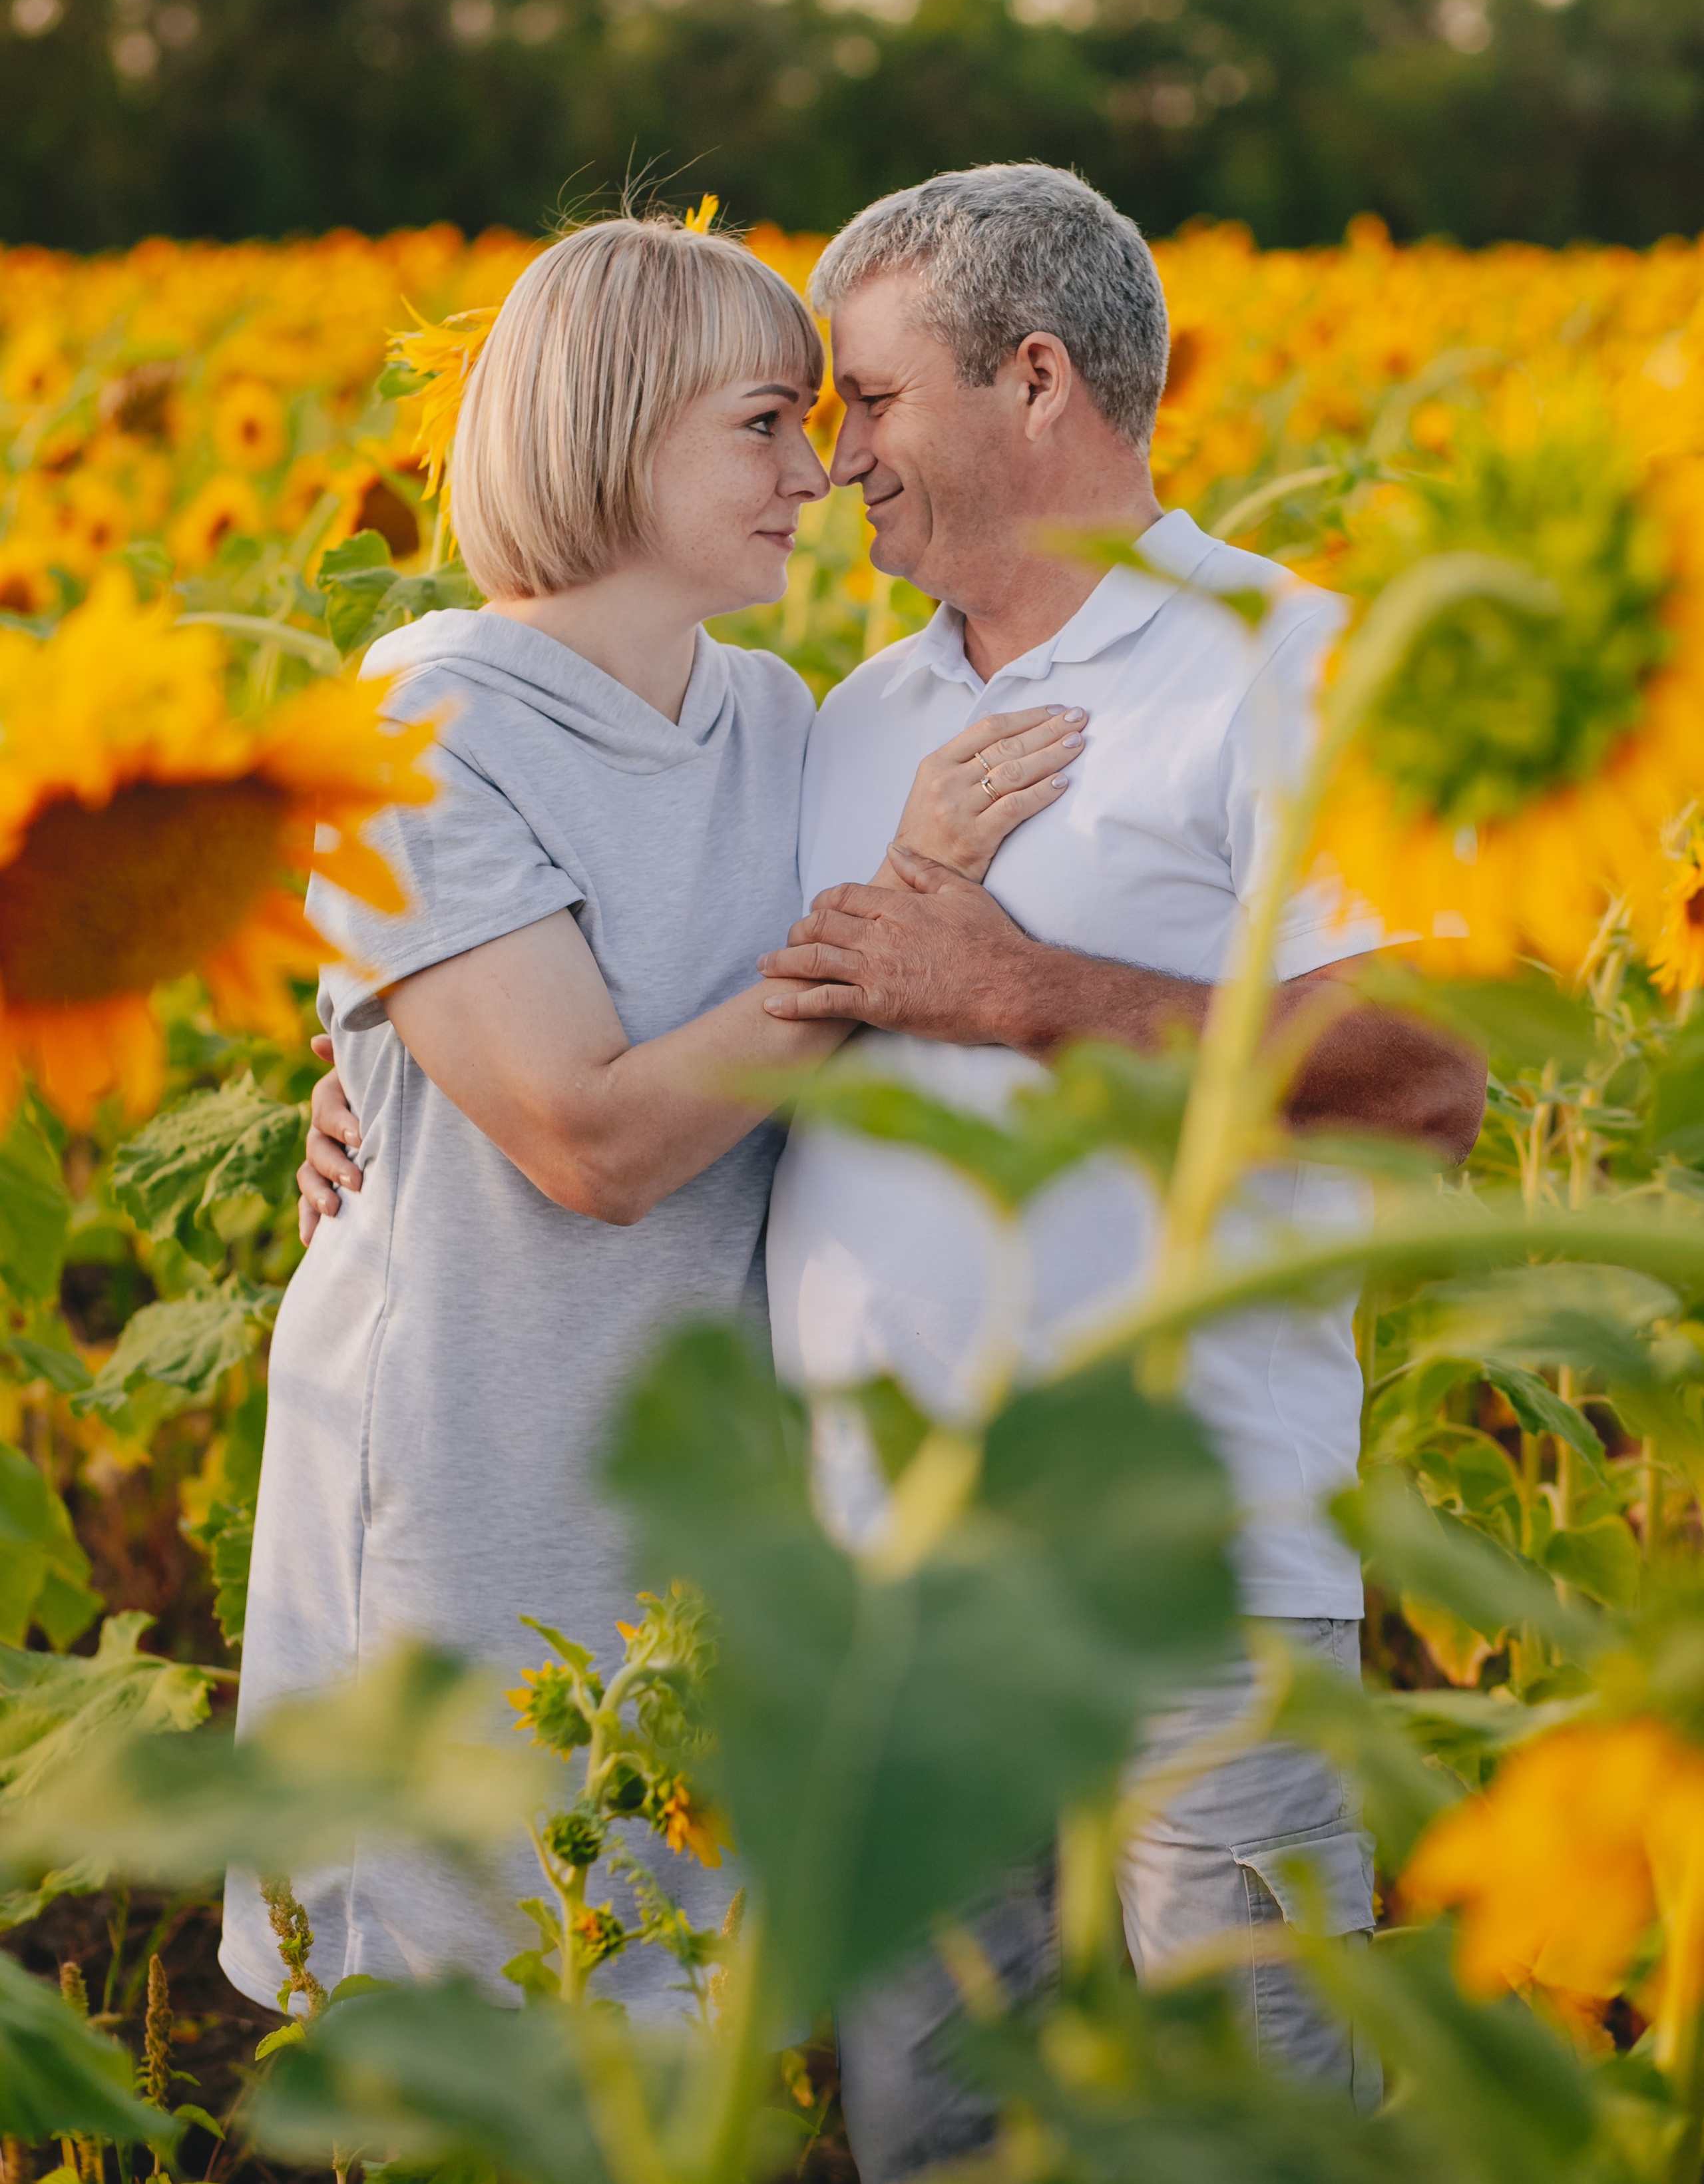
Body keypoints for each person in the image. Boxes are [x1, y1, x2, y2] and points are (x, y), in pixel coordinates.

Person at [299, 170, 1486, 2160]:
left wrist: (1022, 987)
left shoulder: (1291, 663)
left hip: (1191, 1560)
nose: (837, 463)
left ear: (1036, 382)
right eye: (799, 416)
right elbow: (603, 987)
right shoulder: (847, 721)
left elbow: (1431, 1078)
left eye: (864, 402)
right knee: (933, 2131)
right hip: (882, 1591)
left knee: (1267, 2118)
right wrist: (365, 1078)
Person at [222, 210, 1082, 2020]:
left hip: (700, 1465)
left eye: (815, 424)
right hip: (473, 1457)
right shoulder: (423, 727)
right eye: (762, 426)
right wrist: (892, 913)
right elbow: (589, 1143)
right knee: (467, 2009)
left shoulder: (775, 715)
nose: (817, 473)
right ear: (609, 433)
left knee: (672, 1998)